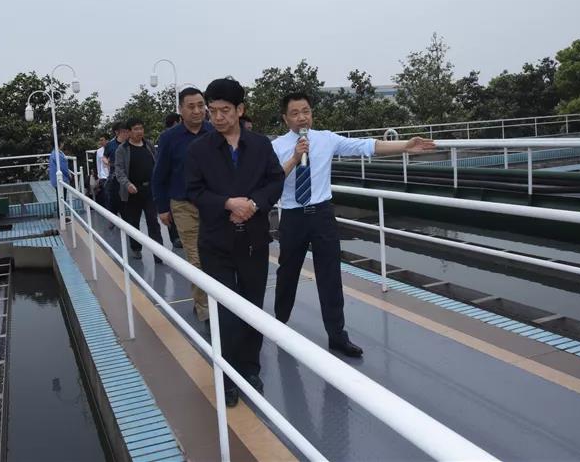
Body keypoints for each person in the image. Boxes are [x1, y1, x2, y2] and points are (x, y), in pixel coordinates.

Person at [271, 92, 435, 357]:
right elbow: (272, 180)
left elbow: (365, 146)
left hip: (322, 215)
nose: (302, 117)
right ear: (285, 118)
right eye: (295, 113)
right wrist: (294, 157)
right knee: (287, 274)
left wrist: (404, 146)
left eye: (306, 111)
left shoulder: (326, 139)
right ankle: (279, 324)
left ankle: (337, 336)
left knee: (330, 277)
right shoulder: (277, 146)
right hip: (293, 216)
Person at [186, 77, 284, 407]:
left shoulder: (260, 145)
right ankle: (228, 377)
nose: (217, 117)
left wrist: (253, 205)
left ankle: (250, 369)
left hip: (254, 240)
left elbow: (275, 181)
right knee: (226, 313)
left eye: (224, 110)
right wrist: (228, 204)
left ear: (240, 110)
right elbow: (193, 190)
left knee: (253, 309)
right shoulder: (199, 149)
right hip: (216, 243)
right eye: (212, 110)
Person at [152, 88, 213, 324]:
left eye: (200, 105)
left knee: (216, 256)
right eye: (191, 106)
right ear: (180, 109)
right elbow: (160, 174)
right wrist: (162, 207)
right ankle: (204, 309)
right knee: (196, 258)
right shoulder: (170, 138)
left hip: (213, 204)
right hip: (183, 205)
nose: (197, 110)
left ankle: (218, 301)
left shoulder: (214, 132)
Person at [114, 118, 164, 262]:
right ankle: (136, 248)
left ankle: (158, 253)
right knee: (133, 222)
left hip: (150, 190)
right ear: (129, 132)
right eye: (136, 129)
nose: (139, 131)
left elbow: (157, 162)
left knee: (153, 221)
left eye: (141, 128)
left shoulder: (148, 145)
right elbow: (119, 170)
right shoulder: (122, 149)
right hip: (132, 192)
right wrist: (127, 184)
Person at [161, 113, 183, 249]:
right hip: (172, 181)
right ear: (176, 122)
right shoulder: (168, 137)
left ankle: (176, 237)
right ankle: (175, 237)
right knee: (172, 210)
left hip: (175, 181)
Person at [104, 122, 129, 225]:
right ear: (117, 132)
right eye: (123, 131)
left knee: (126, 202)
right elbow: (105, 157)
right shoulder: (110, 145)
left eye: (127, 131)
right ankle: (112, 219)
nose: (126, 133)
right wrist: (107, 162)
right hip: (114, 176)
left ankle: (127, 222)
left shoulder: (129, 143)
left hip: (127, 176)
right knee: (113, 198)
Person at [94, 135, 109, 208]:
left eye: (102, 140)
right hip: (103, 176)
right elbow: (98, 164)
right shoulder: (99, 151)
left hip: (112, 174)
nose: (101, 142)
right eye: (100, 140)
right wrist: (99, 176)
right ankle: (108, 210)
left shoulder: (112, 148)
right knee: (106, 194)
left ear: (107, 140)